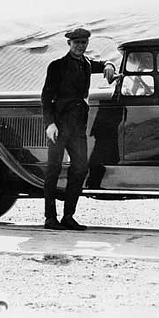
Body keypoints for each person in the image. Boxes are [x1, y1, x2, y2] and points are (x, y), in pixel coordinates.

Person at [40, 27, 116, 230]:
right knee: (53, 170)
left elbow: (103, 64)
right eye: (76, 43)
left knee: (80, 168)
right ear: (69, 44)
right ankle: (50, 218)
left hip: (78, 127)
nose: (80, 46)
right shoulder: (57, 66)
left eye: (83, 43)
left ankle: (68, 216)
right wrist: (50, 124)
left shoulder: (87, 64)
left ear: (87, 44)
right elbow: (46, 97)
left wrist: (109, 64)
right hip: (59, 125)